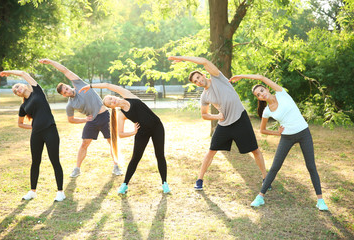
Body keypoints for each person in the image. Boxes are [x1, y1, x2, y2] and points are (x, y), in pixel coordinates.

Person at [168, 56, 269, 190]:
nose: (198, 81)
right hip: (224, 123)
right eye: (195, 81)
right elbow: (204, 115)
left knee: (255, 150)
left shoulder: (217, 77)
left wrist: (181, 58)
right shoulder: (204, 96)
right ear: (195, 84)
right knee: (211, 151)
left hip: (240, 118)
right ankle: (199, 180)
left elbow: (204, 61)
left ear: (203, 74)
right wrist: (217, 116)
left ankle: (266, 179)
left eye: (198, 77)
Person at [230, 74, 328, 210]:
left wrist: (241, 76)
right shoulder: (266, 111)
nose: (261, 95)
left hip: (304, 133)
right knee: (275, 167)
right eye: (258, 95)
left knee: (311, 166)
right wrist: (277, 133)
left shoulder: (282, 94)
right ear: (258, 98)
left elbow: (260, 77)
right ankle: (260, 197)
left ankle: (320, 201)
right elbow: (262, 130)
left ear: (267, 89)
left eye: (262, 91)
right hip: (287, 137)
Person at [79, 83, 170, 194]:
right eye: (110, 103)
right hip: (142, 132)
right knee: (135, 158)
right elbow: (120, 134)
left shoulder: (128, 95)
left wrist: (91, 86)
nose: (113, 101)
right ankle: (124, 185)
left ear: (115, 96)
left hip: (157, 127)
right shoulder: (121, 115)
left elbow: (107, 85)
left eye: (111, 98)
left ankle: (164, 183)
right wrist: (133, 132)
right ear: (112, 107)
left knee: (159, 155)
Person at [38, 59, 122, 177]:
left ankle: (116, 166)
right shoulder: (70, 105)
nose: (68, 91)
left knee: (112, 142)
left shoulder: (80, 84)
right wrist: (84, 120)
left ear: (68, 86)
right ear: (63, 95)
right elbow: (70, 119)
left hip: (104, 116)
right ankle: (77, 169)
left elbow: (65, 70)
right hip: (91, 121)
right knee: (84, 144)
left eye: (67, 88)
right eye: (65, 92)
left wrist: (51, 62)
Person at [0, 70, 65, 202]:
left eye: (17, 86)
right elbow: (20, 123)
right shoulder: (23, 106)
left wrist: (8, 72)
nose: (17, 90)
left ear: (24, 85)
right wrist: (33, 127)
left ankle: (60, 192)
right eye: (15, 91)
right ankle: (32, 191)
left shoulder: (37, 91)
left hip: (50, 130)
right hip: (36, 134)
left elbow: (23, 73)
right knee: (35, 162)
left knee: (55, 161)